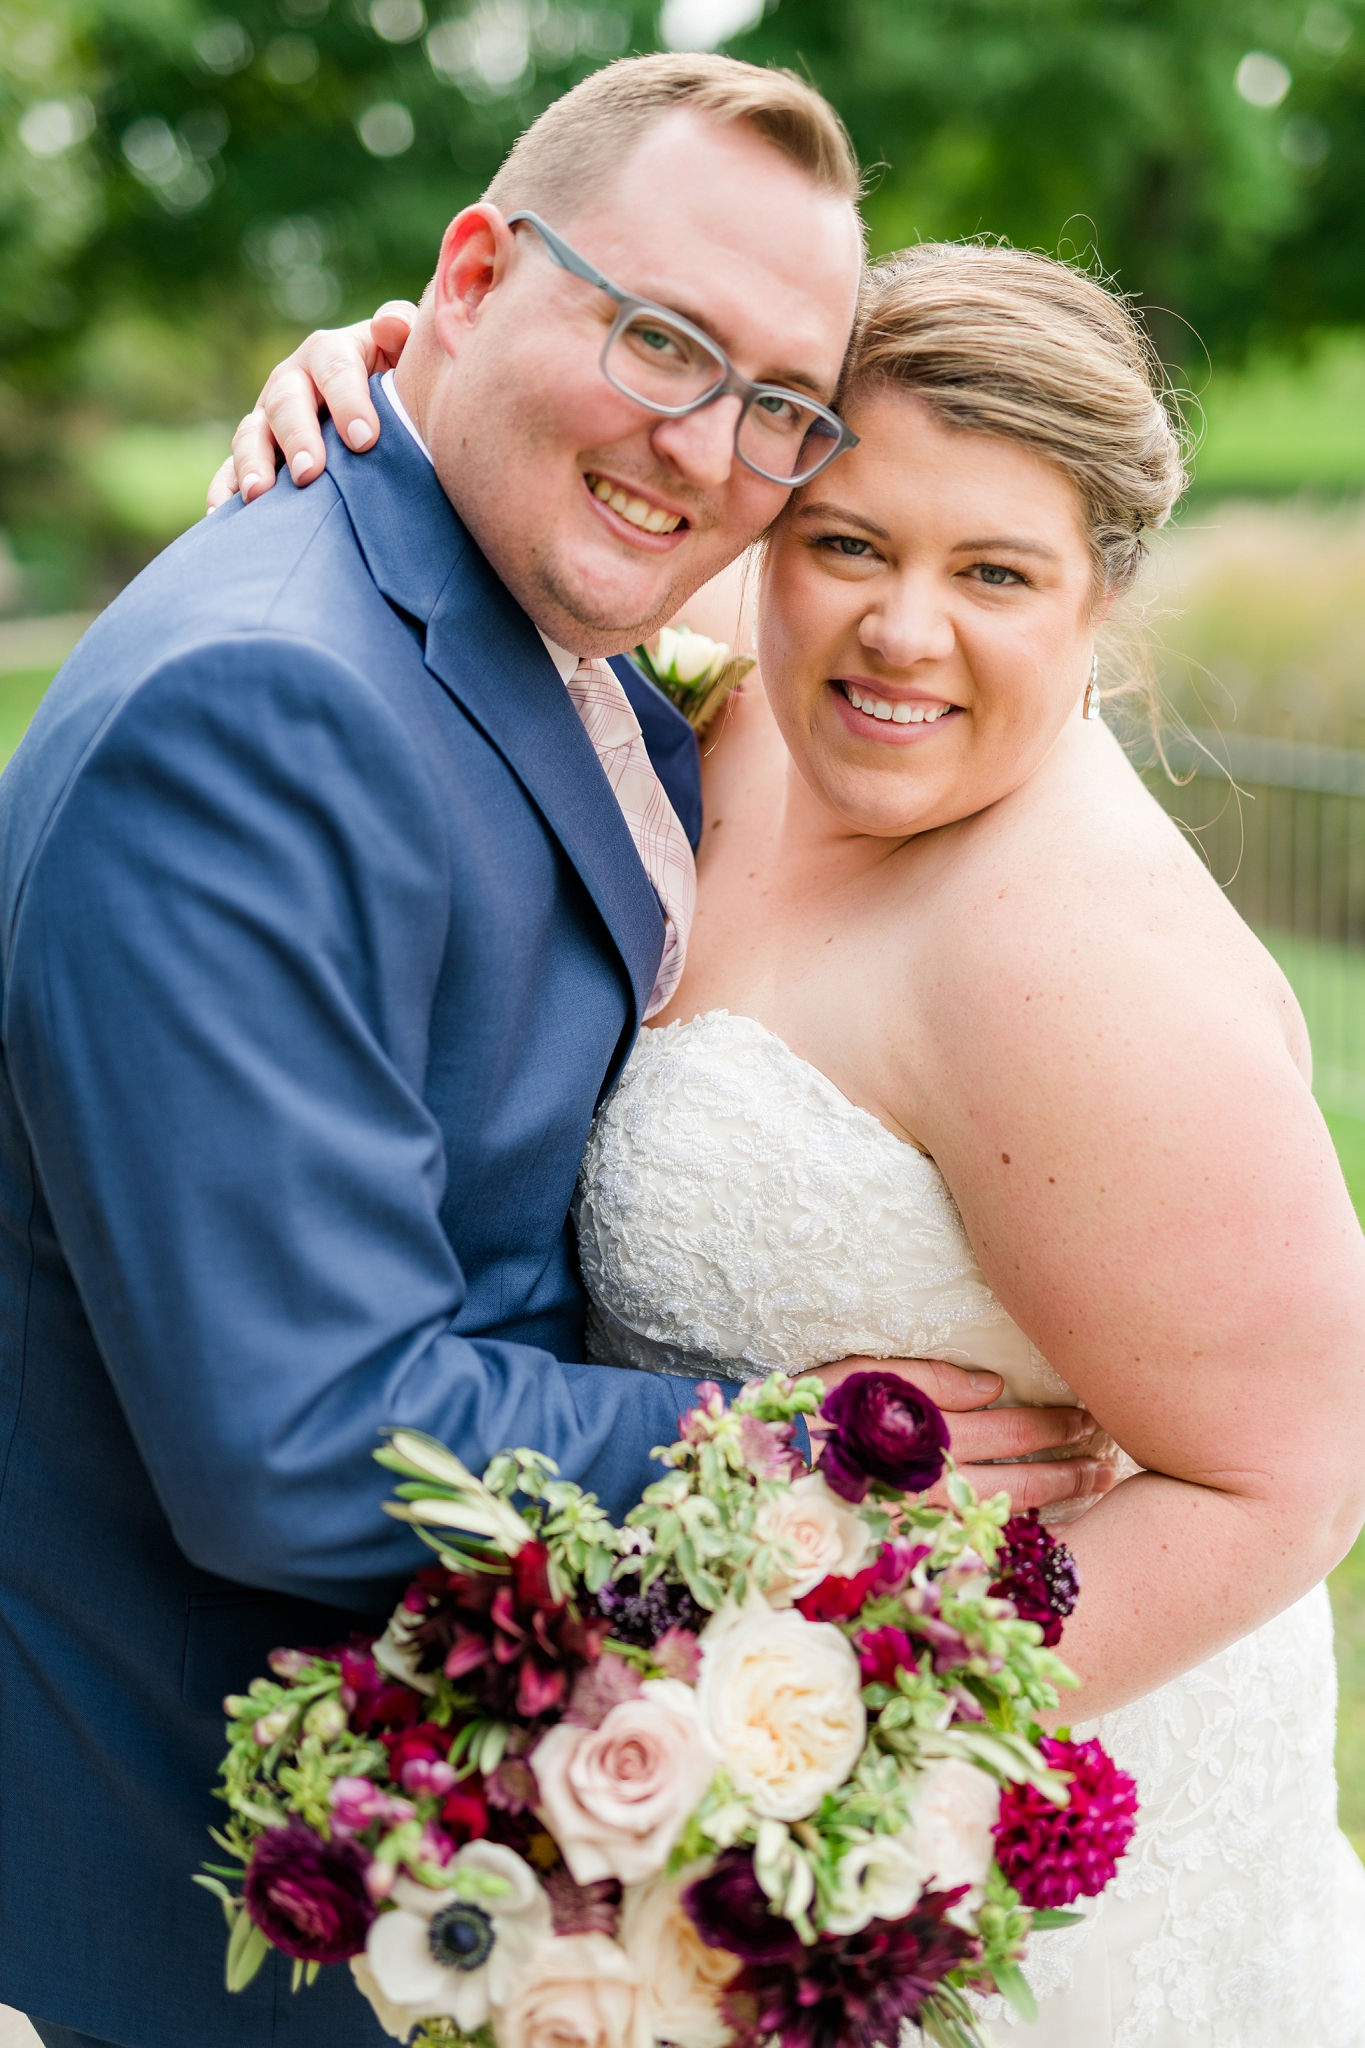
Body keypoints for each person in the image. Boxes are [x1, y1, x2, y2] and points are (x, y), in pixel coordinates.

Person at [0, 56, 1095, 2048]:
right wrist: (784, 1454)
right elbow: (301, 1436)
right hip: (244, 1897)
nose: (707, 448)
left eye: (776, 403)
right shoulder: (258, 713)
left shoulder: (524, 601)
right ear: (472, 274)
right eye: (657, 337)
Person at [242, 240, 1365, 2043]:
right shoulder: (757, 709)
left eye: (994, 573)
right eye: (847, 543)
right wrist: (381, 388)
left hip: (926, 1860)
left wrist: (767, 1772)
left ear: (1100, 592)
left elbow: (1292, 1481)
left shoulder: (1072, 964)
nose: (900, 632)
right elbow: (554, 479)